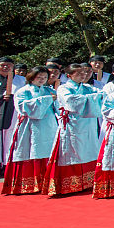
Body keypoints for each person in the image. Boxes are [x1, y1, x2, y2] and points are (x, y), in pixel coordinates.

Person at [42, 63, 102, 196]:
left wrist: (94, 97)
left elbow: (102, 95)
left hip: (88, 124)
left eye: (84, 73)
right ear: (69, 75)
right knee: (72, 151)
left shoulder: (88, 88)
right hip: (72, 124)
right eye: (79, 73)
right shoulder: (63, 88)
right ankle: (68, 183)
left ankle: (88, 181)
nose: (83, 75)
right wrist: (93, 98)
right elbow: (71, 102)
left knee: (88, 149)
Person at [1, 68, 58, 195]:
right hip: (30, 125)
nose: (42, 79)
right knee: (29, 149)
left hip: (48, 125)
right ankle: (28, 183)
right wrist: (48, 99)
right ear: (32, 77)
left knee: (48, 150)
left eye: (44, 77)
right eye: (39, 77)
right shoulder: (23, 91)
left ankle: (47, 181)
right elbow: (24, 107)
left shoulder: (50, 90)